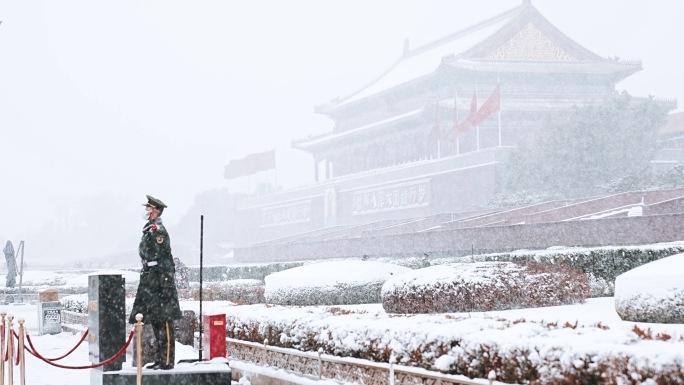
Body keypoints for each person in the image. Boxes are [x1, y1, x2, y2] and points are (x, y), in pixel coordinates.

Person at [128, 195, 182, 370]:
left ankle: (167, 360)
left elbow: (165, 259)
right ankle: (160, 359)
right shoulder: (149, 229)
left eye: (149, 208)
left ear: (156, 211)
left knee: (165, 322)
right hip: (152, 280)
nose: (146, 211)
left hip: (160, 281)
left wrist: (166, 284)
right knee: (157, 321)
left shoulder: (158, 230)